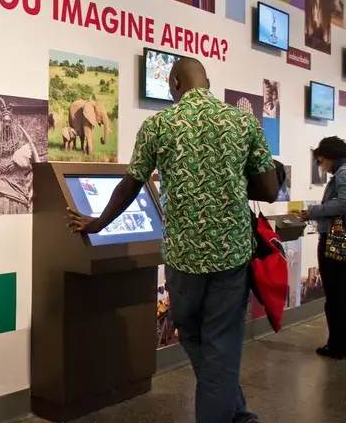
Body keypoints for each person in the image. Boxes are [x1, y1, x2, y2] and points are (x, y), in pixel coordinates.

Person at [67, 58, 278, 423]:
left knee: (198, 340)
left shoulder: (158, 125)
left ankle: (236, 412)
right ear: (207, 82)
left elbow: (131, 185)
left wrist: (98, 223)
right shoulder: (243, 122)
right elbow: (270, 191)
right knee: (221, 348)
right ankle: (233, 411)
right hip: (231, 258)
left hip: (183, 260)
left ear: (175, 82)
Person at [295, 136, 346, 359]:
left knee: (336, 295)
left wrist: (313, 211)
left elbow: (344, 203)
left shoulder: (343, 174)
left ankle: (337, 345)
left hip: (335, 243)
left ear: (329, 156)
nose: (321, 166)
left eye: (321, 160)